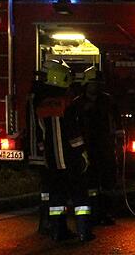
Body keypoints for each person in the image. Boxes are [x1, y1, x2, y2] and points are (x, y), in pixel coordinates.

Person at [34, 60, 94, 242]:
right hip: (71, 159)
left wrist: (45, 155)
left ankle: (57, 232)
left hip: (52, 161)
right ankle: (84, 231)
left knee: (56, 199)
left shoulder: (42, 104)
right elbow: (73, 133)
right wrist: (83, 153)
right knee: (80, 197)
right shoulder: (67, 104)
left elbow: (41, 134)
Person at [73, 66, 121, 225]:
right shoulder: (78, 103)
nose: (96, 86)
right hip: (87, 149)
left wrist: (118, 141)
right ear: (86, 84)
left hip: (105, 147)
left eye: (98, 83)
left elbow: (117, 122)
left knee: (108, 183)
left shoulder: (108, 101)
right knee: (90, 184)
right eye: (93, 82)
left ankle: (107, 213)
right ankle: (92, 214)